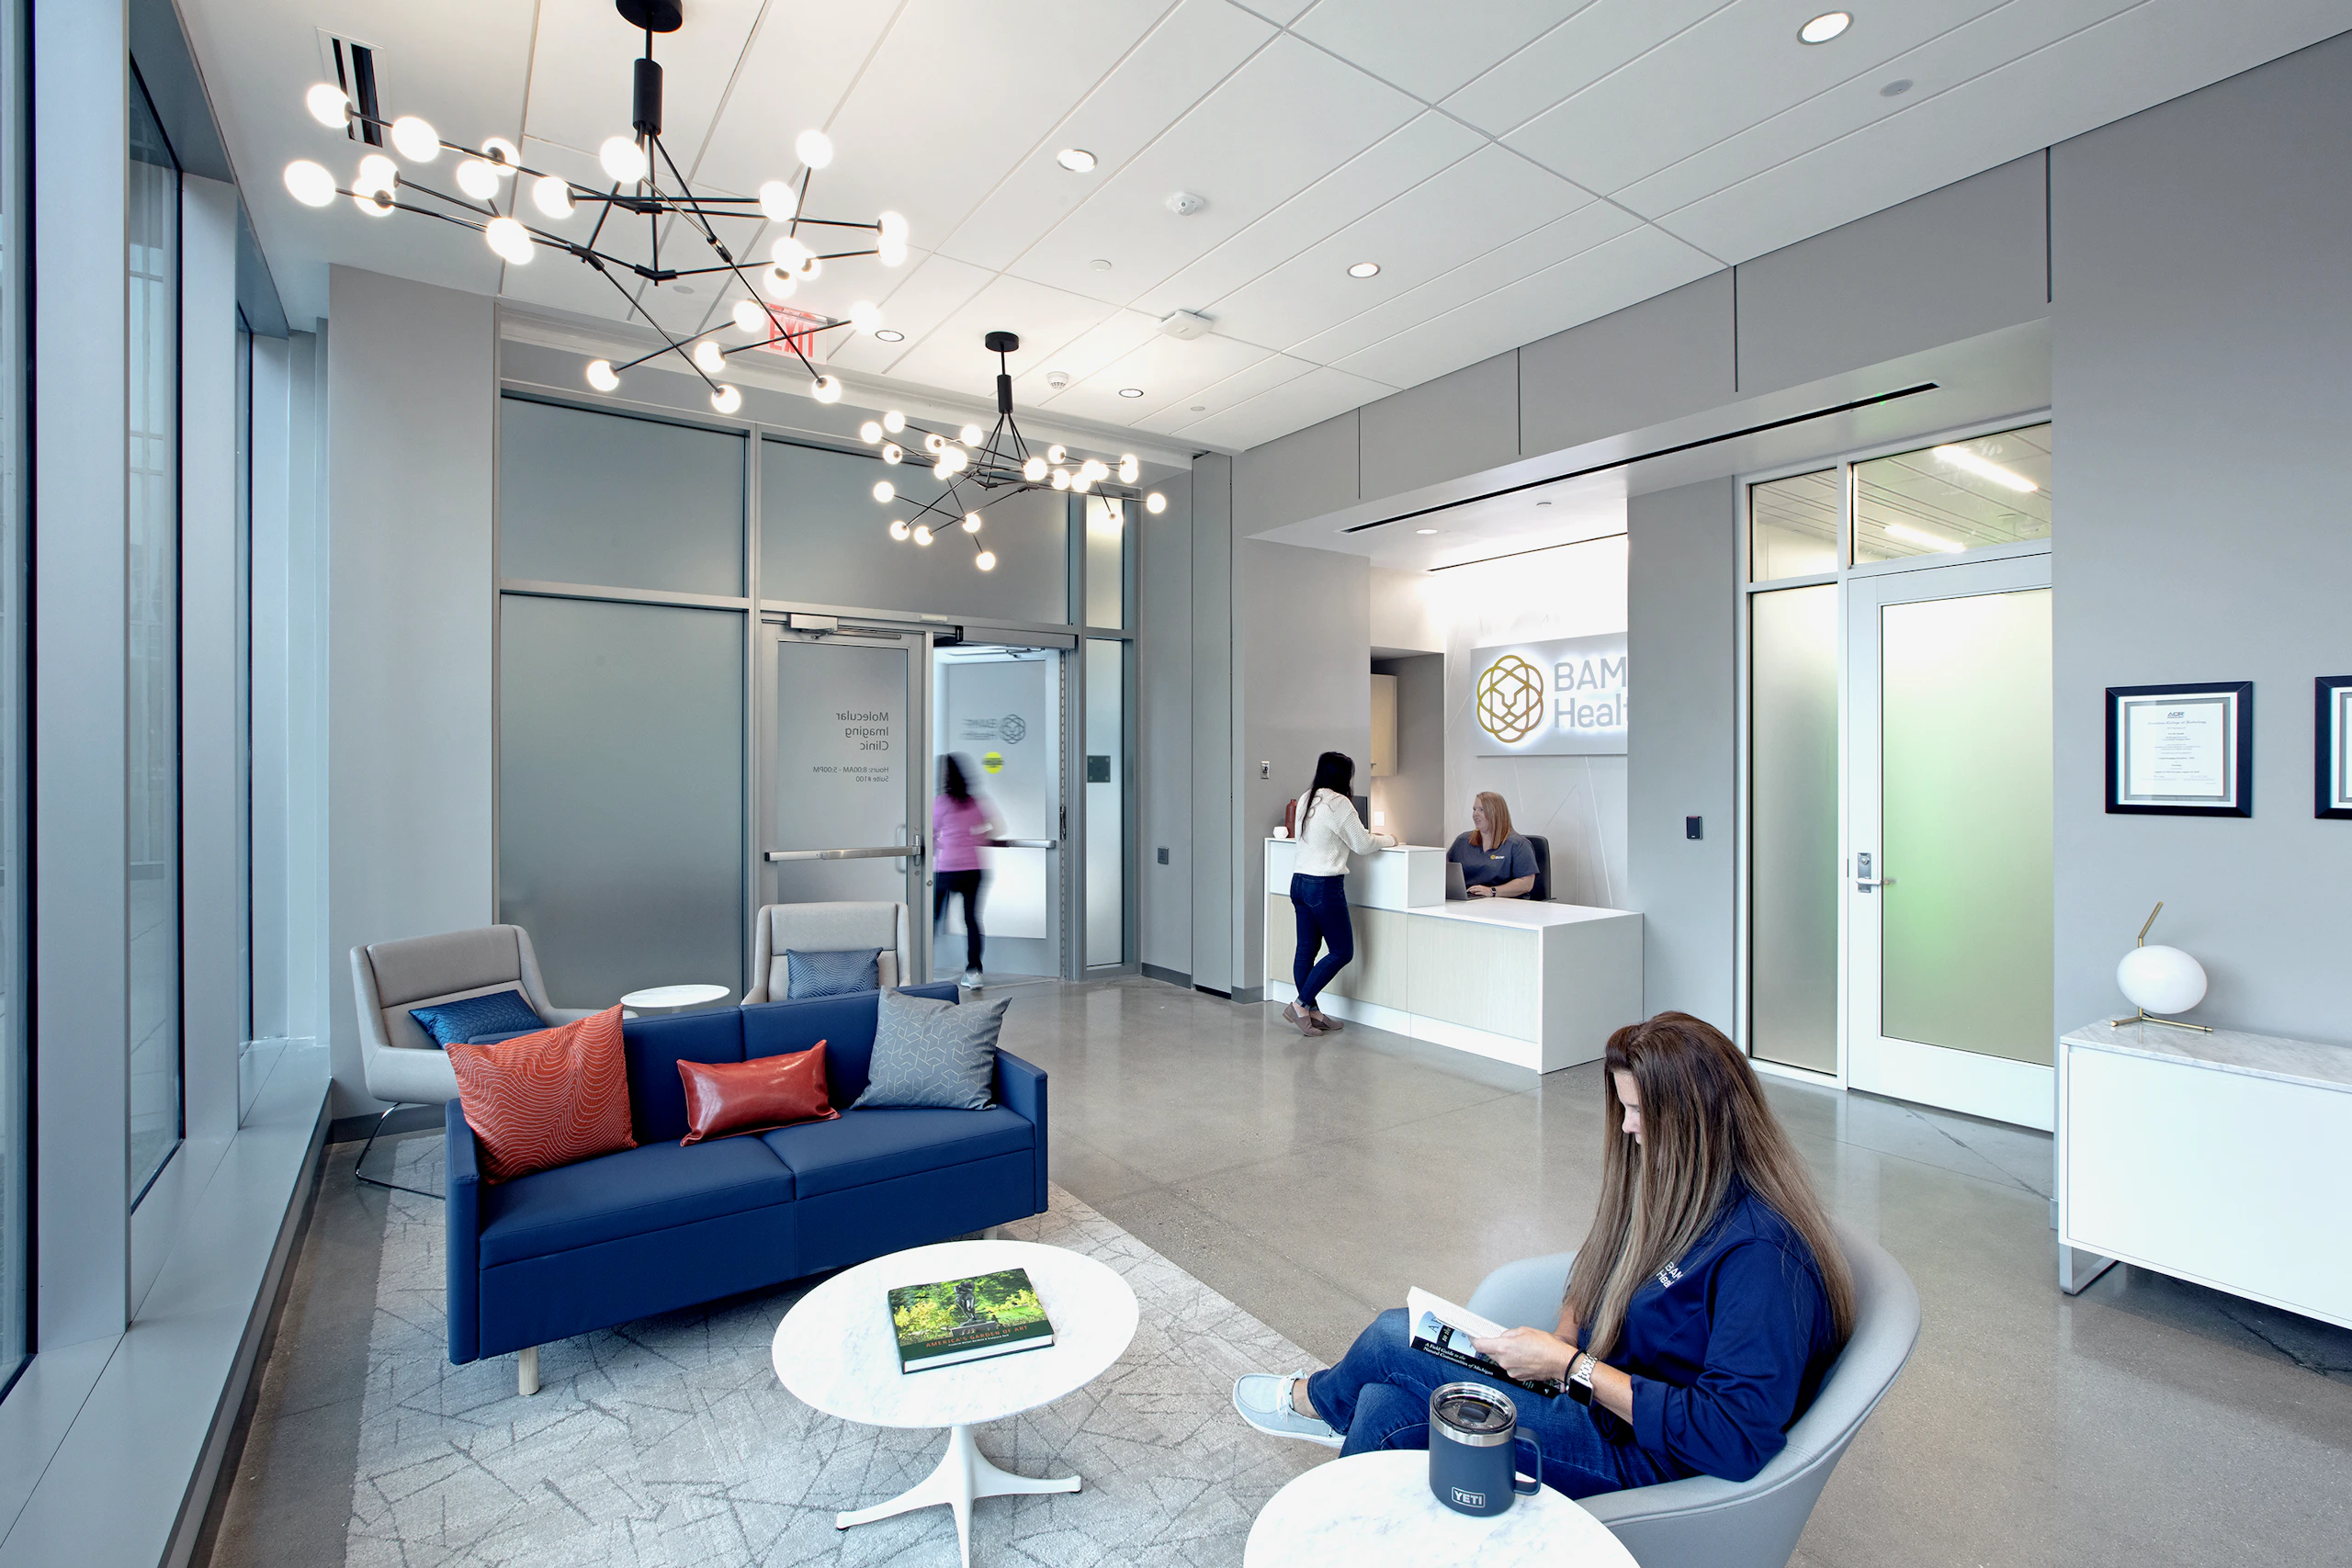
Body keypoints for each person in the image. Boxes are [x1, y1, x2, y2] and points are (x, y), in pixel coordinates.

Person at [1231, 1012, 1855, 1497]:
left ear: (1695, 1119)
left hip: (1643, 1459)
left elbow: (1733, 1435)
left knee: (1397, 1336)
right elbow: (1596, 1266)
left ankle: (1315, 1400)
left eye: (1639, 1111)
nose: (1629, 1128)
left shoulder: (1762, 1257)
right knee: (1384, 1405)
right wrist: (1563, 1336)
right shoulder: (1684, 1195)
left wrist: (1569, 1366)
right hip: (1591, 1401)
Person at [1283, 751, 1395, 1037]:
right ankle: (1300, 1005)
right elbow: (1363, 843)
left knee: (1306, 951)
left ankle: (1312, 1012)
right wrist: (1390, 839)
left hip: (1299, 882)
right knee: (1342, 951)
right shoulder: (1339, 803)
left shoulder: (1308, 797)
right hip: (1324, 885)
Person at [931, 754, 1000, 990]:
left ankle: (919, 965)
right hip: (973, 869)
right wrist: (977, 837)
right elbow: (996, 827)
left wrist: (941, 845)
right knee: (971, 920)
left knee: (933, 919)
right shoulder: (974, 801)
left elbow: (930, 834)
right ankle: (974, 972)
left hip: (947, 869)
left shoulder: (940, 803)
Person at [1449, 790, 1539, 898]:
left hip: (1505, 904)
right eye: (1474, 809)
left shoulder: (1518, 844)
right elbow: (1446, 870)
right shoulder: (1462, 841)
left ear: (1496, 813)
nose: (1475, 814)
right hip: (1468, 902)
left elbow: (1526, 883)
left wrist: (1492, 891)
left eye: (1481, 810)